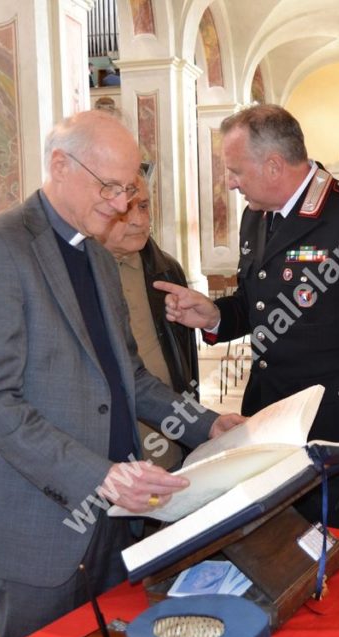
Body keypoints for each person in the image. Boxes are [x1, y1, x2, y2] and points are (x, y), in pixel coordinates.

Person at [0, 110, 243, 637]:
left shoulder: (99, 258)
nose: (122, 203)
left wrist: (210, 424)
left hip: (111, 515)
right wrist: (99, 475)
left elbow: (128, 377)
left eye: (130, 188)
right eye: (110, 186)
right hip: (37, 514)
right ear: (60, 165)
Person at [155, 104, 339, 534]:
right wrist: (216, 314)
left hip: (329, 433)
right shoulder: (256, 216)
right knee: (271, 549)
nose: (231, 184)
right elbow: (258, 305)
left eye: (236, 171)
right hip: (266, 424)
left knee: (330, 564)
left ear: (273, 165)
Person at [102, 173, 199, 471]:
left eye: (143, 207)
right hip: (106, 448)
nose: (139, 221)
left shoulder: (165, 270)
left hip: (166, 437)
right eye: (126, 211)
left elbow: (185, 361)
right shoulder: (76, 274)